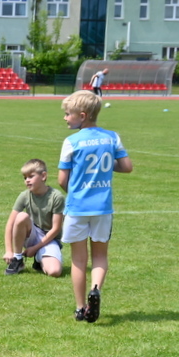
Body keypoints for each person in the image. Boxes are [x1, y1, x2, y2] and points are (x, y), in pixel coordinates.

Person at [58, 91, 133, 322]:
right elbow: (127, 167)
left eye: (68, 114)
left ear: (82, 115)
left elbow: (62, 180)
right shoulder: (112, 137)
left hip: (78, 207)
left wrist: (77, 189)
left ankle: (81, 308)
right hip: (103, 208)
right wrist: (106, 170)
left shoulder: (71, 142)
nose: (65, 118)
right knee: (100, 257)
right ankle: (96, 289)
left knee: (79, 260)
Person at [3, 159, 65, 278]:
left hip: (49, 238)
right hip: (32, 233)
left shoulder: (56, 196)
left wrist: (35, 248)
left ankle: (39, 259)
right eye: (25, 177)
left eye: (31, 176)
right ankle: (18, 259)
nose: (27, 180)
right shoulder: (24, 195)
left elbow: (56, 228)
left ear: (43, 176)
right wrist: (9, 250)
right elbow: (10, 223)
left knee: (54, 272)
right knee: (21, 216)